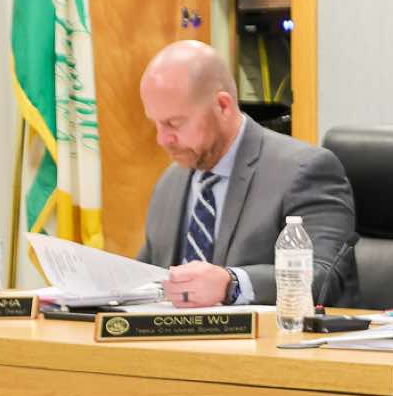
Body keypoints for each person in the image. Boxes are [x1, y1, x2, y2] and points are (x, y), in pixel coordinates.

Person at [137, 41, 358, 307]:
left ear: (222, 106)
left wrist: (231, 284)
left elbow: (325, 277)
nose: (162, 139)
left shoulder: (304, 170)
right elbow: (147, 279)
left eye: (173, 123)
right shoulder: (170, 182)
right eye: (156, 124)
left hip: (269, 333)